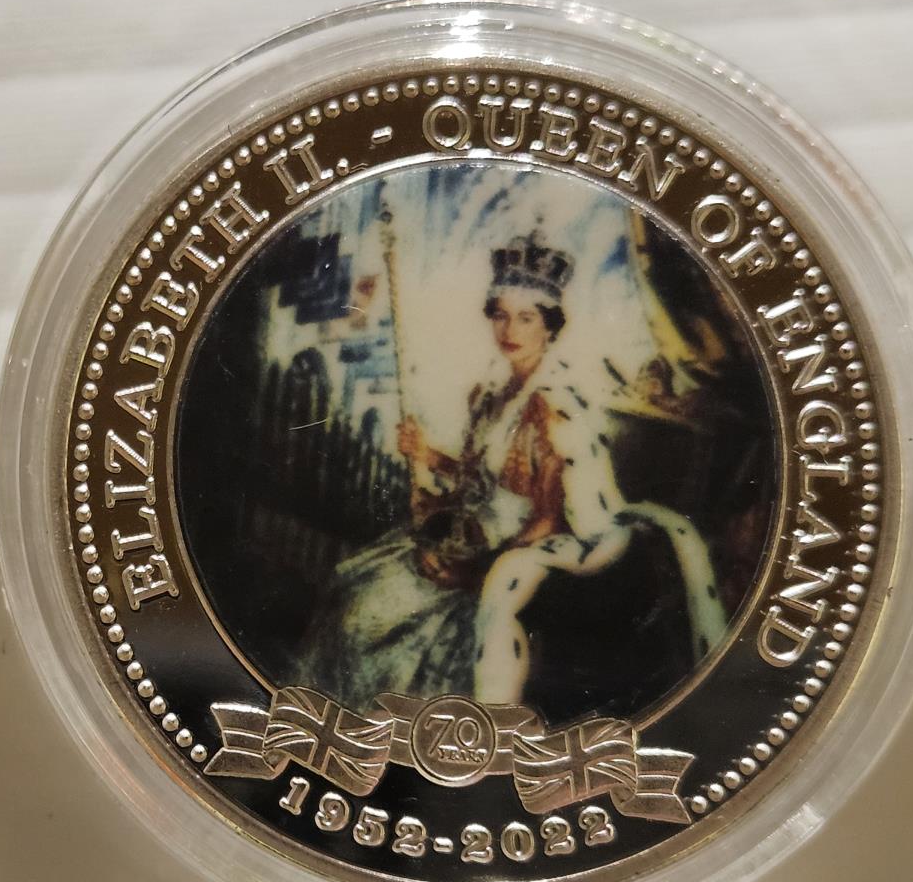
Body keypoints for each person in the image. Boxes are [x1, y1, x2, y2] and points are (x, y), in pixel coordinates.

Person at [290, 234, 726, 712]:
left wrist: (472, 571)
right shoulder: (492, 396)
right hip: (477, 534)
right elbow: (480, 477)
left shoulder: (553, 408)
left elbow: (548, 519)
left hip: (533, 546)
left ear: (550, 326)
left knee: (373, 618)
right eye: (500, 315)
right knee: (354, 590)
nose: (509, 330)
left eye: (526, 318)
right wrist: (429, 455)